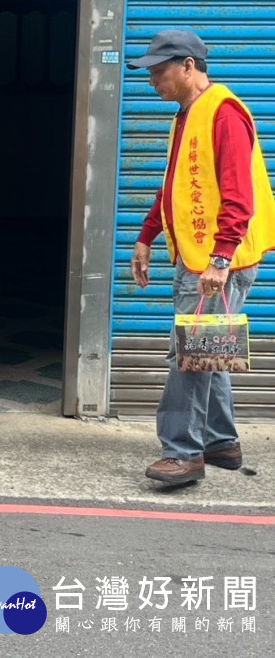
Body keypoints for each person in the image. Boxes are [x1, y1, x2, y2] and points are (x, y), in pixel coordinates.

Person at [128, 30, 275, 484]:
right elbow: (172, 185)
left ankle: (182, 452)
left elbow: (239, 195)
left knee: (189, 353)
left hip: (217, 260)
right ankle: (220, 442)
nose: (152, 81)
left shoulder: (224, 113)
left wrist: (221, 258)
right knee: (207, 346)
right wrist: (147, 236)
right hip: (200, 256)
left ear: (188, 66)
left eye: (159, 71)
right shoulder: (187, 114)